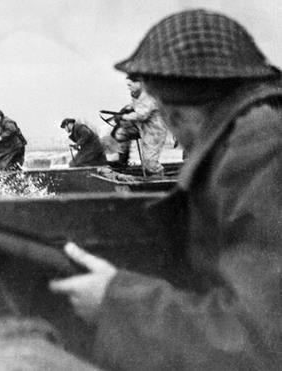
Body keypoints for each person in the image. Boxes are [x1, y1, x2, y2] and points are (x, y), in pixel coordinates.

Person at [49, 9, 282, 370]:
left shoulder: (258, 146)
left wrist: (116, 300)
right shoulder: (263, 127)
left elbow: (257, 338)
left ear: (173, 112)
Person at [115, 77, 169, 174]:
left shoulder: (149, 95)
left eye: (130, 84)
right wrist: (126, 108)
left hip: (154, 131)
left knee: (150, 163)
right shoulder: (136, 95)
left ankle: (159, 176)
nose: (128, 87)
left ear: (140, 83)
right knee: (120, 133)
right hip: (141, 128)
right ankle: (122, 161)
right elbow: (135, 105)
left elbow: (141, 115)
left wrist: (124, 116)